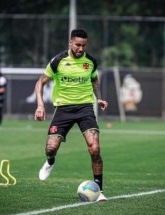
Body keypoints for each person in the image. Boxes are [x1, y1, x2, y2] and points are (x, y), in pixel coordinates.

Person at [34, 29, 108, 201]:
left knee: (95, 148)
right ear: (70, 43)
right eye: (78, 45)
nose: (81, 49)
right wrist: (40, 105)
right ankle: (50, 162)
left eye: (84, 45)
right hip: (63, 109)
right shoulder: (58, 61)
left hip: (85, 109)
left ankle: (100, 191)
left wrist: (99, 98)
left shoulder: (90, 62)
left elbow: (94, 79)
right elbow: (40, 82)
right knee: (50, 148)